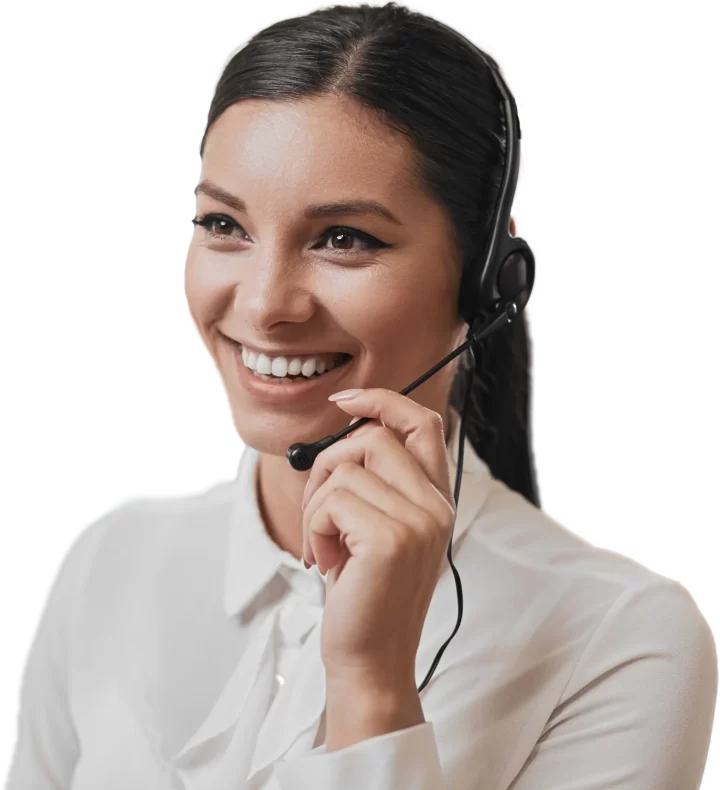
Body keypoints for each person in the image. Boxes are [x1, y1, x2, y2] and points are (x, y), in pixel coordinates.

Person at [4, 2, 718, 788]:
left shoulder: (621, 631)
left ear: (485, 286)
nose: (267, 303)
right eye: (224, 225)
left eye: (344, 238)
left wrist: (374, 687)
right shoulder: (115, 555)